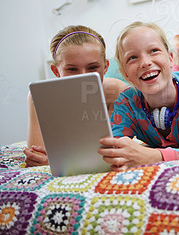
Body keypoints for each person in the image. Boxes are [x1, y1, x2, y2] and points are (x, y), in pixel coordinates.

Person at [98, 22, 179, 171]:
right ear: (125, 74)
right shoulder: (126, 102)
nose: (145, 63)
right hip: (169, 77)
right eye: (133, 58)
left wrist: (151, 156)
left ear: (169, 58)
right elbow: (113, 150)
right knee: (163, 75)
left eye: (154, 50)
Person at [24, 25, 127, 167]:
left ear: (105, 66)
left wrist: (61, 161)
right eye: (72, 69)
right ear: (55, 70)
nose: (83, 76)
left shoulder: (117, 90)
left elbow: (117, 150)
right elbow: (36, 155)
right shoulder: (38, 97)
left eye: (92, 68)